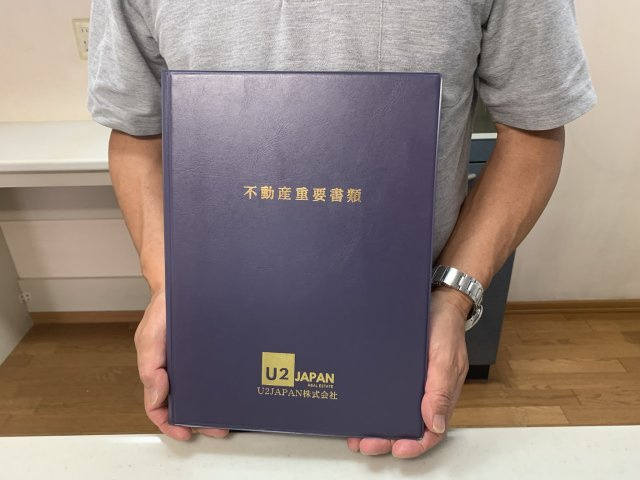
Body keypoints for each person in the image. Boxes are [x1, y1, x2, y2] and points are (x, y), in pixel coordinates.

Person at [87, 0, 596, 459]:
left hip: (404, 343)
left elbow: (533, 128)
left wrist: (452, 297)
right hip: (219, 333)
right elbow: (137, 132)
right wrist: (170, 289)